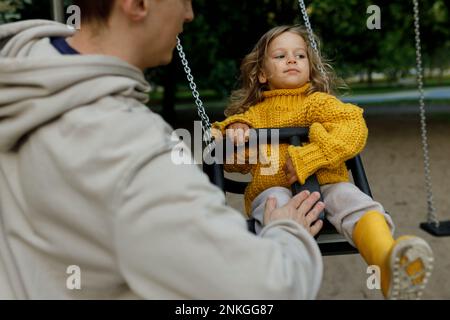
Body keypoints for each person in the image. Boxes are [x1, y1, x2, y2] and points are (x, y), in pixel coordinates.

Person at [0, 1, 326, 300]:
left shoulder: (20, 78)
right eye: (183, 0)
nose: (189, 14)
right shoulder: (130, 150)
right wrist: (288, 231)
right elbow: (266, 289)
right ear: (138, 4)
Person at [213, 25, 434, 300]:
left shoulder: (319, 103)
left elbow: (353, 128)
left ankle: (387, 262)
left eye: (300, 55)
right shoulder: (252, 116)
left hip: (328, 184)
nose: (292, 60)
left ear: (310, 66)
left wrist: (312, 157)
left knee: (355, 201)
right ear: (260, 74)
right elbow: (226, 157)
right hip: (273, 189)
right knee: (273, 203)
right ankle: (282, 281)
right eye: (280, 56)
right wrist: (234, 131)